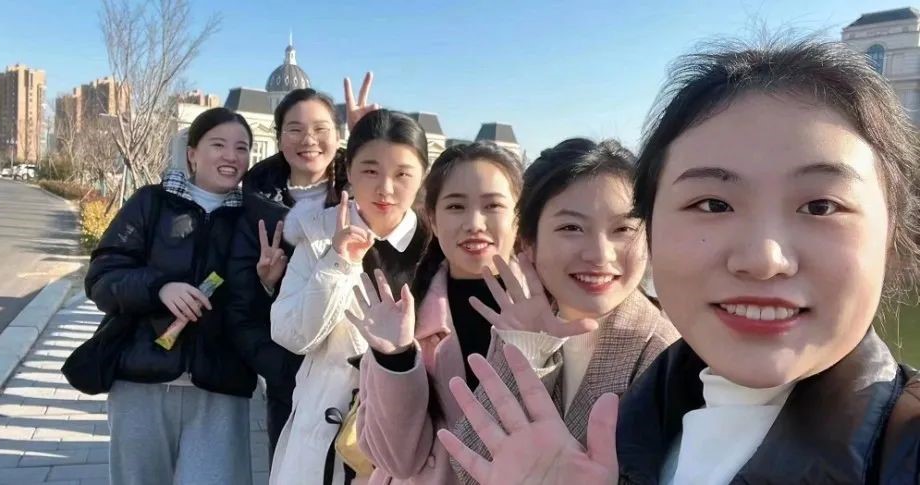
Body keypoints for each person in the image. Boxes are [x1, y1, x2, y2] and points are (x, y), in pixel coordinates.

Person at [438, 38, 920, 484]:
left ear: (894, 233)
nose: (762, 259)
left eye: (821, 206)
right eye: (713, 204)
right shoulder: (659, 409)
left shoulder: (906, 446)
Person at [446, 138, 678, 484]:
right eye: (571, 228)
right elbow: (470, 467)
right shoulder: (523, 326)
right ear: (529, 243)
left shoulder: (666, 357)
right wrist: (529, 348)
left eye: (624, 229)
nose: (600, 255)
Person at [349, 141, 559, 484]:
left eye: (493, 205)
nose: (474, 223)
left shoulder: (554, 307)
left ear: (519, 217)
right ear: (433, 218)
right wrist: (395, 361)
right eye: (456, 206)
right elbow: (396, 462)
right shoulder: (405, 315)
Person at [84, 107, 255, 484]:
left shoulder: (252, 218)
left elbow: (257, 306)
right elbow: (102, 277)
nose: (231, 156)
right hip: (141, 381)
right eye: (218, 145)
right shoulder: (152, 203)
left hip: (221, 385)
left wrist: (268, 281)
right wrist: (158, 288)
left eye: (242, 148)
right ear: (192, 153)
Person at [269, 109, 431, 484]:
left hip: (407, 441)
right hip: (324, 430)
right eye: (370, 171)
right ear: (350, 171)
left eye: (402, 174)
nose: (385, 188)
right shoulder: (319, 234)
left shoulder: (435, 248)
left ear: (422, 175)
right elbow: (291, 335)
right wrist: (338, 263)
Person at [226, 76, 374, 458]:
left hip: (362, 380)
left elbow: (409, 216)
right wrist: (267, 285)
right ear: (278, 139)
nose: (309, 139)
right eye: (295, 129)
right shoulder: (255, 211)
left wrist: (368, 145)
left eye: (321, 129)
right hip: (290, 383)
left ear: (338, 136)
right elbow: (240, 309)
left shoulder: (365, 196)